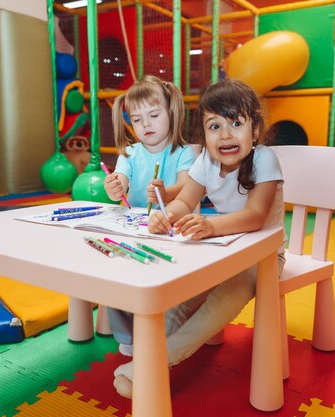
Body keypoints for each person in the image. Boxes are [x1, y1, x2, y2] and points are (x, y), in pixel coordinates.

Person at [113, 78, 287, 398]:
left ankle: (151, 367)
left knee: (217, 304)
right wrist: (167, 215)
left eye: (236, 123)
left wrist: (210, 226)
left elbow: (255, 217)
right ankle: (149, 361)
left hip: (263, 258)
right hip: (223, 250)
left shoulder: (264, 159)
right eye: (214, 125)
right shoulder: (206, 160)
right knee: (179, 294)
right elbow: (183, 200)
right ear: (204, 134)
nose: (225, 135)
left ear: (256, 130)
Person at [105, 75, 196, 355]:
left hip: (172, 231)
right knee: (112, 271)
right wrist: (114, 185)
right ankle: (127, 336)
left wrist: (166, 192)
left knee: (171, 281)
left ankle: (170, 329)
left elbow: (186, 187)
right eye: (137, 119)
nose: (145, 125)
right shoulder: (129, 154)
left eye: (154, 115)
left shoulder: (184, 153)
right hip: (135, 230)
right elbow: (118, 184)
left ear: (171, 112)